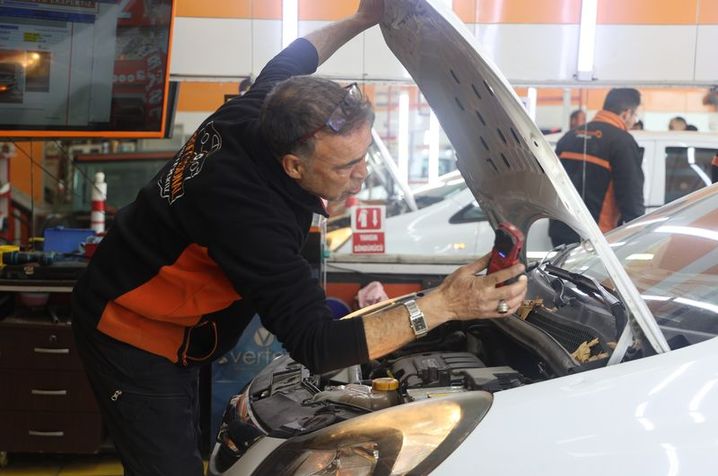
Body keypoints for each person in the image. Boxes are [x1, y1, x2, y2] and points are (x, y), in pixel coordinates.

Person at [71, 1, 528, 474]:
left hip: (179, 319)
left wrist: (361, 19)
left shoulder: (267, 109)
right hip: (131, 330)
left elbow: (297, 55)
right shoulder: (249, 216)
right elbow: (318, 346)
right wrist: (446, 304)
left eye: (364, 154)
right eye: (345, 166)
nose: (362, 175)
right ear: (293, 166)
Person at [549, 88, 645, 247]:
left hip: (559, 233)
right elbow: (631, 196)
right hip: (596, 238)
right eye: (635, 115)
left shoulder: (569, 137)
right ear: (626, 113)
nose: (634, 121)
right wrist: (639, 239)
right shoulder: (622, 142)